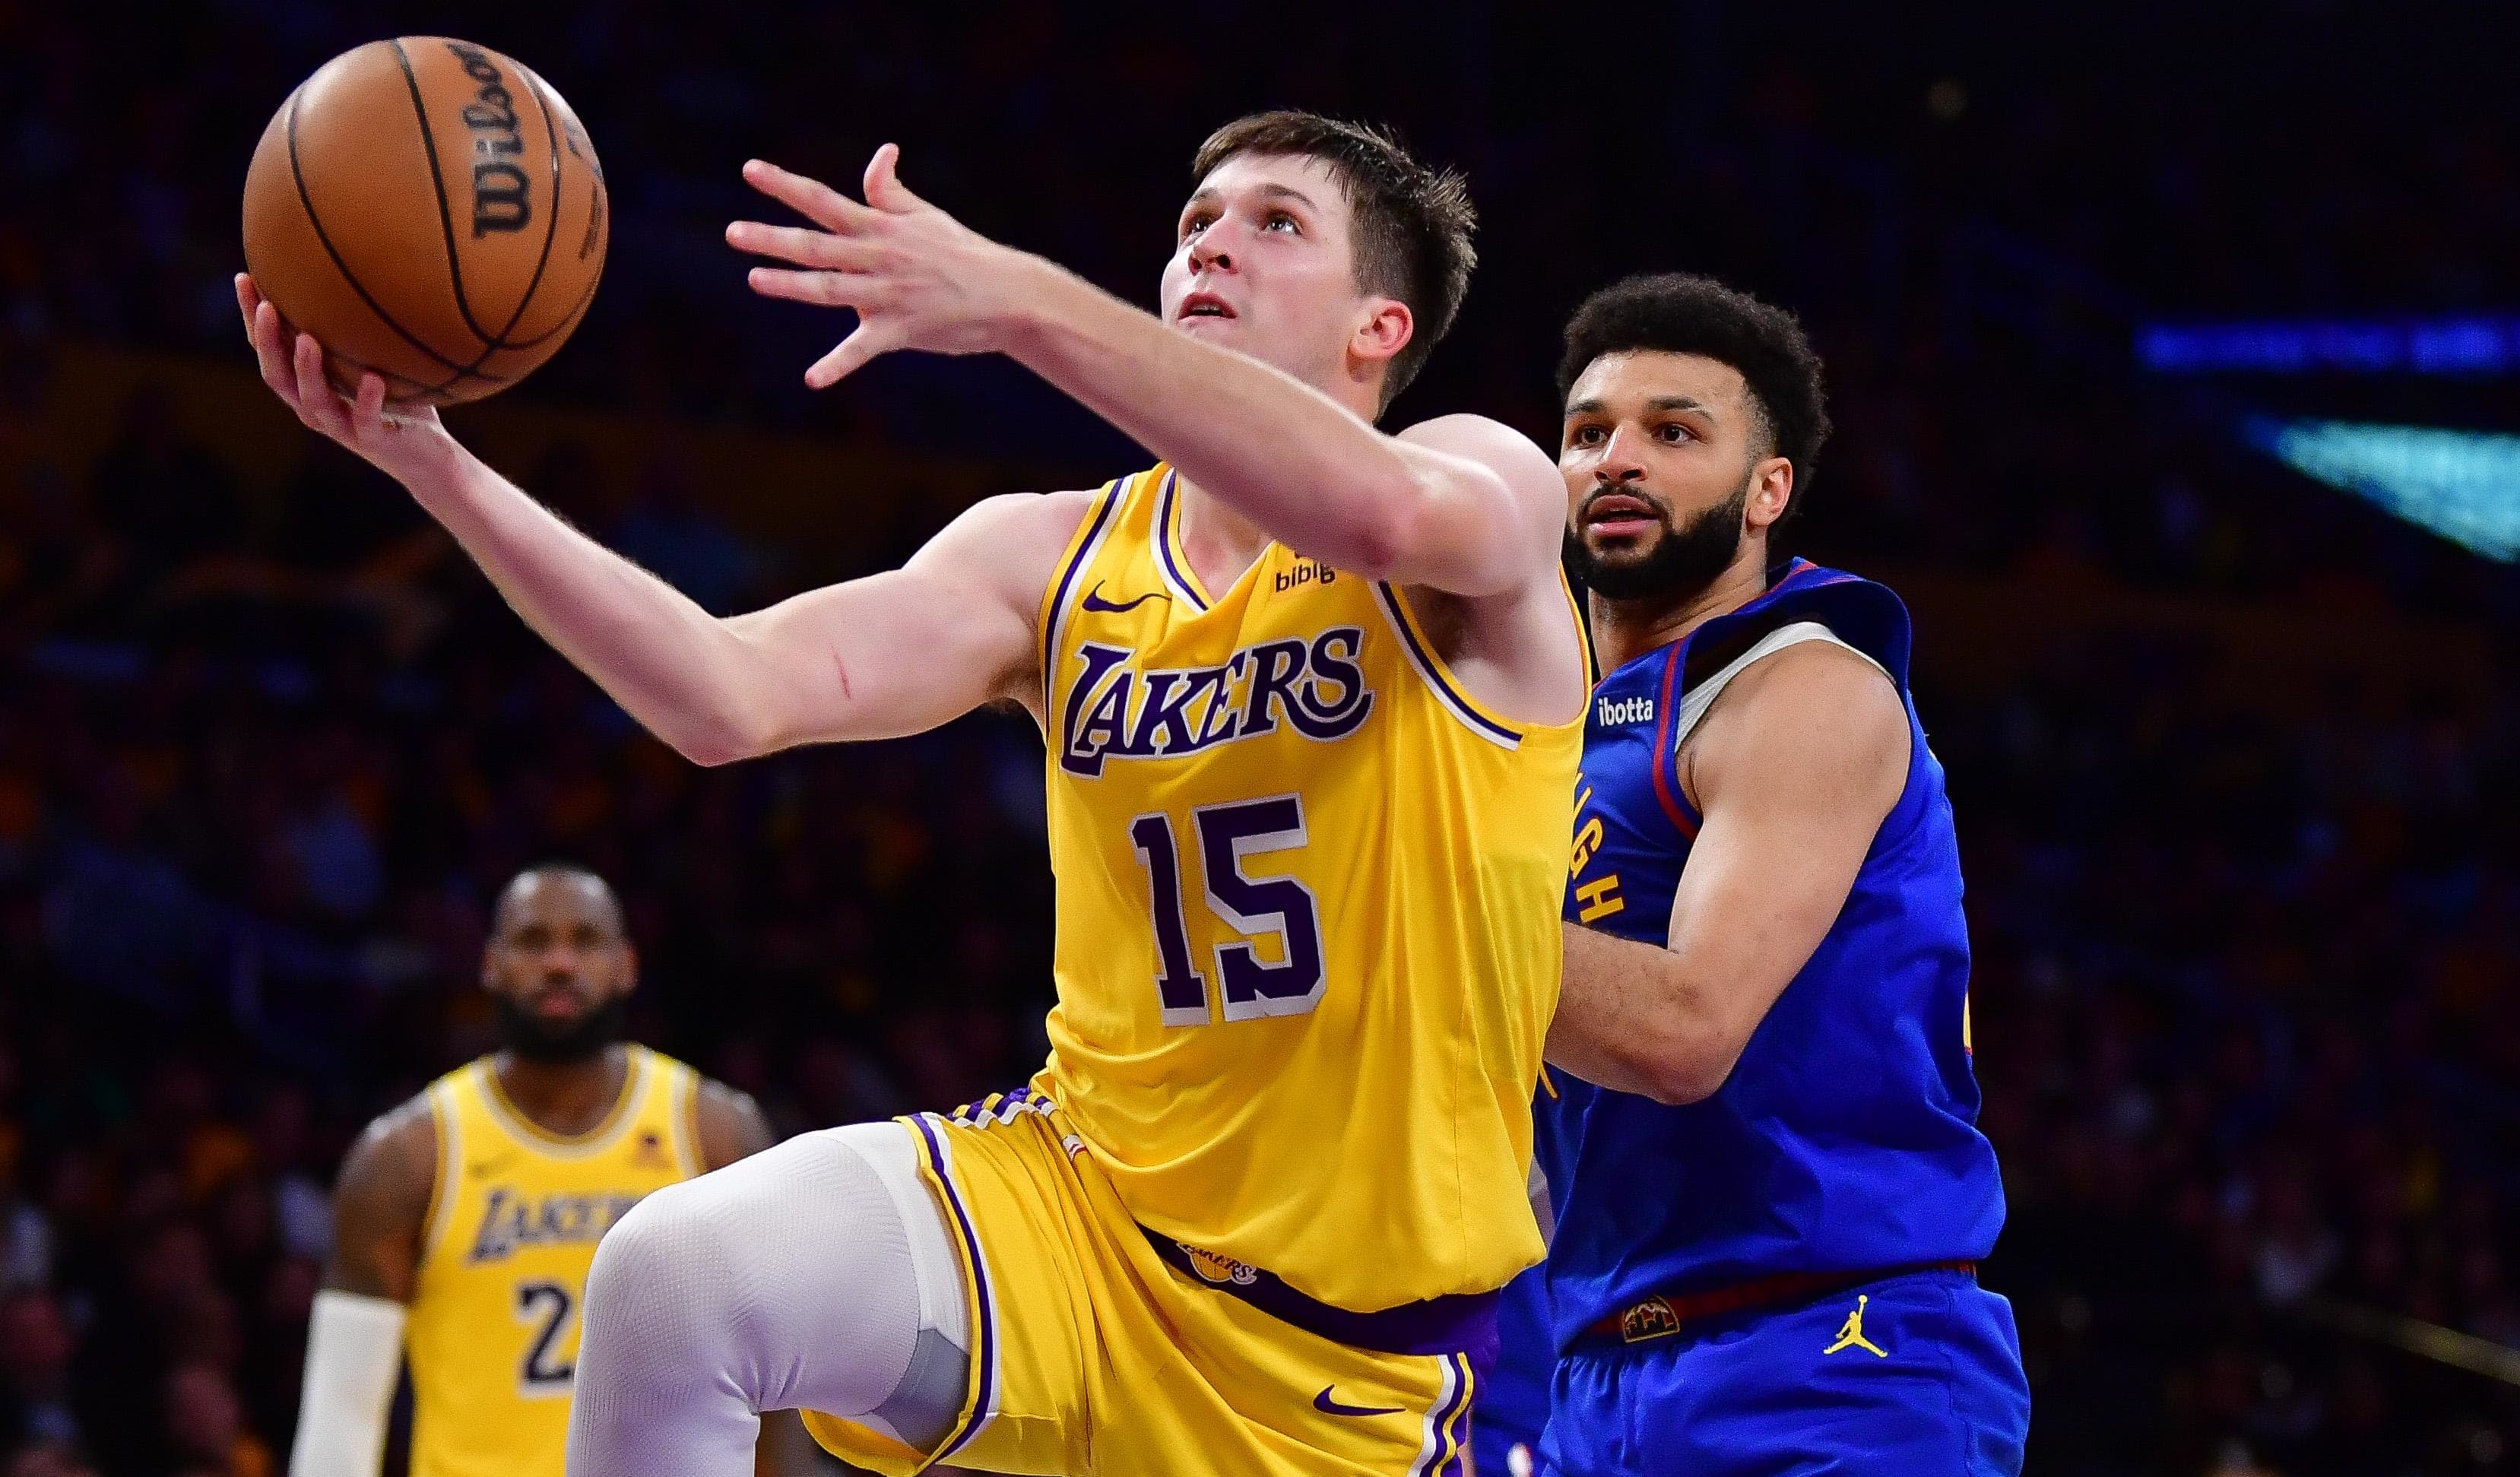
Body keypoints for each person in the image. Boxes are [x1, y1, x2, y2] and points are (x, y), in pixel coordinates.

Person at [238, 109, 1589, 1477]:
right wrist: (436, 464)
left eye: (1275, 223)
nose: (1212, 244)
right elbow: (726, 693)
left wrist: (1015, 301)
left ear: (1379, 328)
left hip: (1361, 1356)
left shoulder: (1487, 486)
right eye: (1196, 224)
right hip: (1083, 1225)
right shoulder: (1048, 558)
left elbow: (1383, 517)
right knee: (675, 1271)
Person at [1489, 274, 2027, 1475]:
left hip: (1836, 1354)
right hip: (1588, 1377)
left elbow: (1682, 1030)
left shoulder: (1804, 685)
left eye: (1673, 432)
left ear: (1765, 489)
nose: (1615, 459)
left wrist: (1404, 893)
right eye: (1587, 433)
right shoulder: (1537, 733)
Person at [282, 865, 808, 1476]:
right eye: (534, 942)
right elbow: (343, 1414)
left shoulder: (715, 1134)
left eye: (585, 941)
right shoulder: (405, 1157)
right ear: (491, 965)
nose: (560, 963)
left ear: (626, 965)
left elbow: (784, 1389)